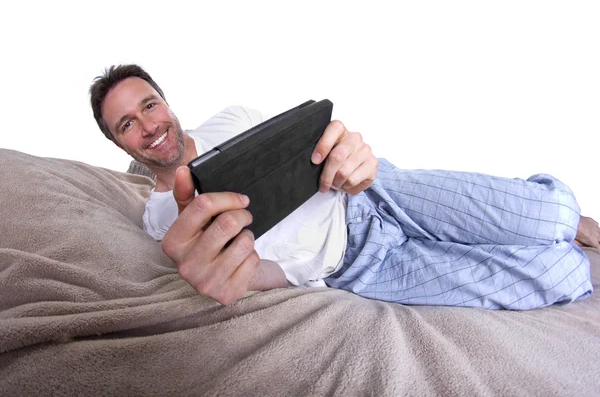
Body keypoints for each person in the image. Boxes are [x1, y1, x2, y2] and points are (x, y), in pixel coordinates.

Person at [90, 64, 598, 310]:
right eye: (127, 124)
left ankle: (558, 215)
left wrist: (344, 151)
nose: (148, 125)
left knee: (553, 217)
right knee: (560, 275)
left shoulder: (234, 117)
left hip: (373, 194)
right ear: (118, 143)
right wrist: (246, 277)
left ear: (167, 102)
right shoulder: (159, 222)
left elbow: (304, 153)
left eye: (149, 105)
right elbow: (257, 272)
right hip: (356, 268)